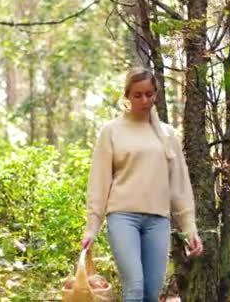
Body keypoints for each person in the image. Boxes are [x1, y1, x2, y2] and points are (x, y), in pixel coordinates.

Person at [81, 67, 203, 302]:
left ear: (155, 94)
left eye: (149, 94)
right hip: (123, 217)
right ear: (127, 96)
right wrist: (92, 227)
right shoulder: (111, 131)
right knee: (134, 287)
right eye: (138, 95)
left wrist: (190, 228)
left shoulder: (167, 135)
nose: (144, 100)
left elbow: (179, 186)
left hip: (158, 220)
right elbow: (99, 182)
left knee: (150, 292)